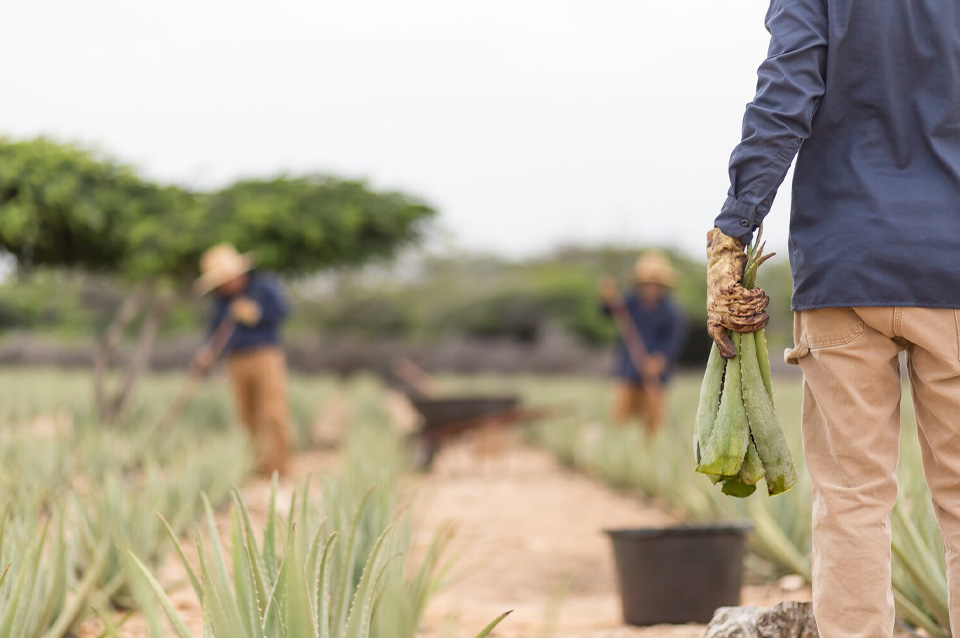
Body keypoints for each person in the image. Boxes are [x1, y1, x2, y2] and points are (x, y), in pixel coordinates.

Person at [709, 1, 960, 635]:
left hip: (846, 264)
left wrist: (733, 231)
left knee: (850, 501)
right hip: (951, 264)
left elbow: (785, 95)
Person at [195, 243, 291, 476]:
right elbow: (215, 330)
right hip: (236, 359)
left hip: (265, 355)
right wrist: (207, 351)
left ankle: (278, 468)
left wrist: (257, 313)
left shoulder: (263, 286)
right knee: (244, 415)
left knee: (272, 412)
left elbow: (283, 312)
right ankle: (251, 466)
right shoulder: (222, 299)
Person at [600, 252, 687, 433]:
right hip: (628, 369)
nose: (651, 288)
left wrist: (659, 359)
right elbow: (610, 312)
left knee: (652, 423)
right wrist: (608, 297)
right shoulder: (630, 302)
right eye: (646, 283)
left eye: (655, 284)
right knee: (620, 417)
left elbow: (673, 340)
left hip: (655, 374)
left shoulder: (672, 311)